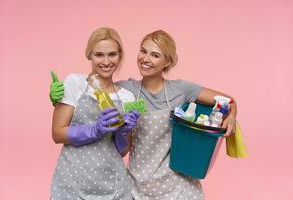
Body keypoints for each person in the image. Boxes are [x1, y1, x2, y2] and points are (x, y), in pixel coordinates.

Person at [50, 30, 237, 200]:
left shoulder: (180, 90)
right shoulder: (127, 91)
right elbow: (94, 87)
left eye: (155, 55)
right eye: (143, 51)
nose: (146, 58)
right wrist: (58, 97)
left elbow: (227, 101)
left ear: (168, 62)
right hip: (137, 187)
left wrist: (231, 116)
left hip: (176, 184)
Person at [50, 27, 139, 200]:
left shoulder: (128, 97)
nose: (106, 61)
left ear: (120, 56)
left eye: (112, 54)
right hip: (72, 182)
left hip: (114, 185)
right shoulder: (75, 83)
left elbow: (122, 151)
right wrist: (95, 130)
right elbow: (57, 133)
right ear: (89, 55)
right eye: (99, 55)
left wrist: (123, 131)